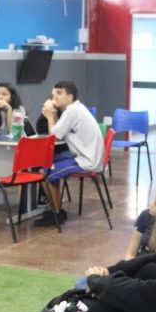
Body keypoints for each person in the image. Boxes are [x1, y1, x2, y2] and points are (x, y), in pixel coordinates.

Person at [34, 81, 104, 226]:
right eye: (54, 94)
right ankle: (56, 208)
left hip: (86, 161)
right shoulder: (76, 108)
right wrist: (53, 114)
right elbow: (59, 130)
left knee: (44, 172)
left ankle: (56, 214)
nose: (55, 97)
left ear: (70, 97)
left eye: (59, 93)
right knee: (47, 162)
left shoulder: (72, 111)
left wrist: (49, 116)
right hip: (85, 156)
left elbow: (54, 136)